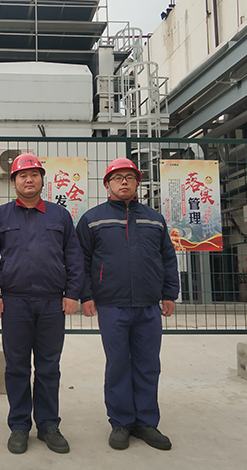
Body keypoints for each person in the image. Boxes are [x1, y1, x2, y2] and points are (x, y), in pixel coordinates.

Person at [0, 153, 84, 455]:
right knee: (17, 367)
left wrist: (72, 293)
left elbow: (74, 256)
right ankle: (19, 426)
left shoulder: (59, 215)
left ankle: (48, 424)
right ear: (13, 181)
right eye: (22, 175)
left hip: (52, 302)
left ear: (41, 180)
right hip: (14, 303)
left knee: (49, 366)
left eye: (34, 175)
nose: (29, 180)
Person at [76, 157, 179, 451]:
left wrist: (169, 293)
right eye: (118, 178)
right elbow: (81, 261)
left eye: (130, 178)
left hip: (148, 305)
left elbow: (167, 258)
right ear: (107, 184)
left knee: (148, 364)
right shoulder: (92, 219)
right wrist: (86, 296)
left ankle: (146, 422)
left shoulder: (154, 219)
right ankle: (120, 422)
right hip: (112, 304)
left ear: (137, 183)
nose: (124, 182)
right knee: (118, 364)